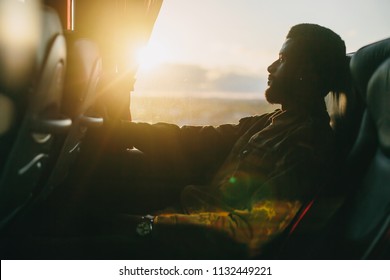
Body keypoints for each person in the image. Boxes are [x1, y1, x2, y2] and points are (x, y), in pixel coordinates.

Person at [60, 23, 349, 259]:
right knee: (87, 194)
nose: (271, 67)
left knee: (58, 249)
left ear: (305, 75)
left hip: (194, 245)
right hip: (189, 215)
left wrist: (149, 226)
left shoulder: (308, 147)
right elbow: (196, 140)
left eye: (283, 60)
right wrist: (116, 129)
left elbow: (245, 232)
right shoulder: (269, 122)